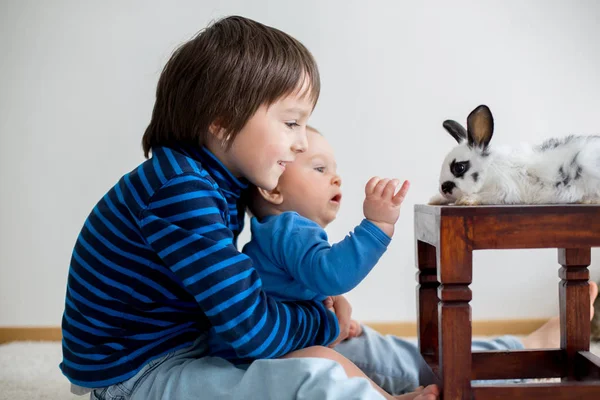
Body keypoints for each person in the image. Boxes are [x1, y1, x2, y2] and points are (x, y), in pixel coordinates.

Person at [60, 15, 438, 400]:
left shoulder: (218, 182)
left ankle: (467, 366)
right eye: (292, 123)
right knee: (311, 376)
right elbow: (253, 330)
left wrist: (323, 314)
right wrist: (324, 322)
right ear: (223, 125)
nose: (302, 143)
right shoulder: (179, 190)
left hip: (196, 344)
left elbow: (245, 291)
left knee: (351, 348)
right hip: (139, 375)